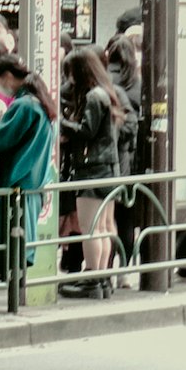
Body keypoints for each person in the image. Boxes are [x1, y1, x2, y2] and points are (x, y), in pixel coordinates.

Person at [0, 54, 55, 309]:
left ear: (7, 77)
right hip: (30, 186)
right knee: (17, 244)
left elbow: (0, 140)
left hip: (13, 185)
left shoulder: (23, 106)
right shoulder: (38, 103)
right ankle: (10, 296)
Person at [57, 47, 129, 297]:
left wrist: (61, 121)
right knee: (102, 227)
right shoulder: (105, 94)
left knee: (91, 229)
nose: (69, 79)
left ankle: (92, 281)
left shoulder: (93, 97)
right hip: (107, 169)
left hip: (91, 171)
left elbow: (86, 131)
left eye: (71, 73)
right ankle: (102, 280)